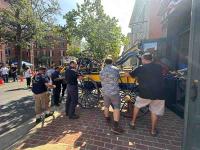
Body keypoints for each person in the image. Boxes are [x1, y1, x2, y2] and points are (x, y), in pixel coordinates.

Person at [126, 53, 165, 137]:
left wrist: (125, 73)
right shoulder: (159, 67)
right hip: (159, 93)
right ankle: (153, 131)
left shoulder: (140, 68)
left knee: (137, 106)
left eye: (142, 59)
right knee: (154, 112)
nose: (141, 60)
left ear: (144, 59)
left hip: (145, 93)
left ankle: (132, 123)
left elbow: (130, 75)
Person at [100, 57, 124, 134]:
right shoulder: (116, 69)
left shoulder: (102, 71)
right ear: (112, 62)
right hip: (114, 92)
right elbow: (119, 77)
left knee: (106, 106)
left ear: (105, 62)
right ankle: (116, 125)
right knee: (116, 107)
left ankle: (107, 118)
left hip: (105, 92)